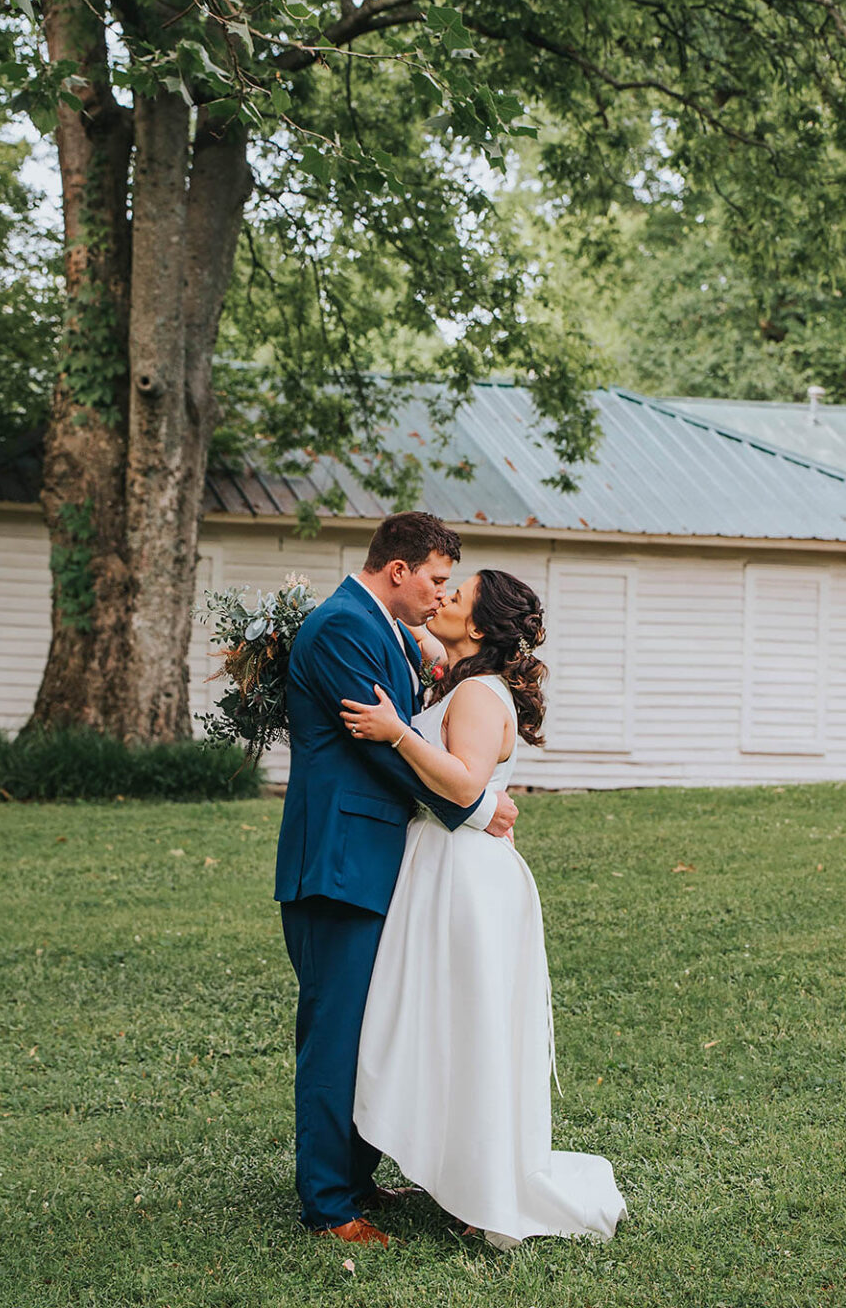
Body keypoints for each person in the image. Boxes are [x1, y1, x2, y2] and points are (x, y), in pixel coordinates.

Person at [341, 568, 628, 1249]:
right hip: (448, 865)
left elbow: (468, 787)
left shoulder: (474, 692)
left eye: (456, 594)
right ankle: (459, 1169)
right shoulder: (463, 677)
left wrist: (395, 732)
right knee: (450, 1022)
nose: (441, 597)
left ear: (476, 625)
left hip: (461, 875)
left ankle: (482, 1185)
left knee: (465, 1026)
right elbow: (417, 638)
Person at [274, 513, 519, 1247]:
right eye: (436, 581)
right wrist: (476, 805)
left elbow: (405, 724)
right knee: (335, 1034)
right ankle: (327, 1206)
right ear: (399, 570)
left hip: (381, 862)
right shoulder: (342, 627)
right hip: (340, 861)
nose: (438, 597)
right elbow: (382, 748)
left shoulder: (377, 628)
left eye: (450, 586)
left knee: (370, 1029)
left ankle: (353, 1175)